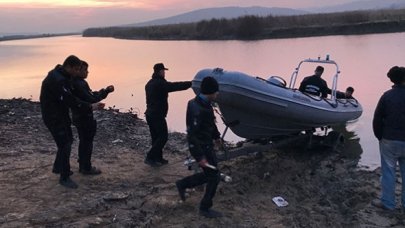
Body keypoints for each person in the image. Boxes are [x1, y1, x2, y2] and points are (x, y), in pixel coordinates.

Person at [40, 55, 104, 188]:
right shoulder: (57, 80)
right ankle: (64, 177)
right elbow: (70, 100)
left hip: (61, 114)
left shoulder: (62, 75)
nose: (76, 73)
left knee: (67, 140)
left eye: (78, 69)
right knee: (65, 143)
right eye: (75, 69)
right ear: (68, 66)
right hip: (53, 116)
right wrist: (90, 106)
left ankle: (58, 167)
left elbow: (70, 98)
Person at [175, 76, 223, 218]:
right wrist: (200, 156)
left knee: (211, 174)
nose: (217, 94)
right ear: (210, 92)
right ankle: (204, 208)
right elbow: (192, 135)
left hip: (207, 144)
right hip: (202, 147)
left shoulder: (205, 104)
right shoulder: (197, 108)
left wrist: (217, 137)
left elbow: (210, 123)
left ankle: (183, 184)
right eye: (216, 92)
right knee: (214, 176)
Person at [71, 61, 114, 175]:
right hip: (84, 117)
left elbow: (90, 95)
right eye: (85, 70)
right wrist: (106, 92)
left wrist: (104, 91)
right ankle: (86, 167)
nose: (87, 72)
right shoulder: (79, 84)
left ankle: (83, 164)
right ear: (79, 70)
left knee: (84, 141)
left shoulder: (76, 82)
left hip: (78, 116)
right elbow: (91, 98)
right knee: (87, 142)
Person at [144, 63, 192, 167]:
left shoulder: (149, 83)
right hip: (157, 115)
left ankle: (158, 158)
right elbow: (174, 86)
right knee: (163, 137)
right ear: (160, 71)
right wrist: (190, 84)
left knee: (155, 138)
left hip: (149, 114)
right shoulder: (160, 83)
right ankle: (150, 157)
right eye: (164, 71)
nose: (164, 73)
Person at [372, 66, 405, 211]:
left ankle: (388, 203)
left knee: (388, 172)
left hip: (389, 140)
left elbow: (377, 119)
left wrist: (380, 137)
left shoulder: (386, 96)